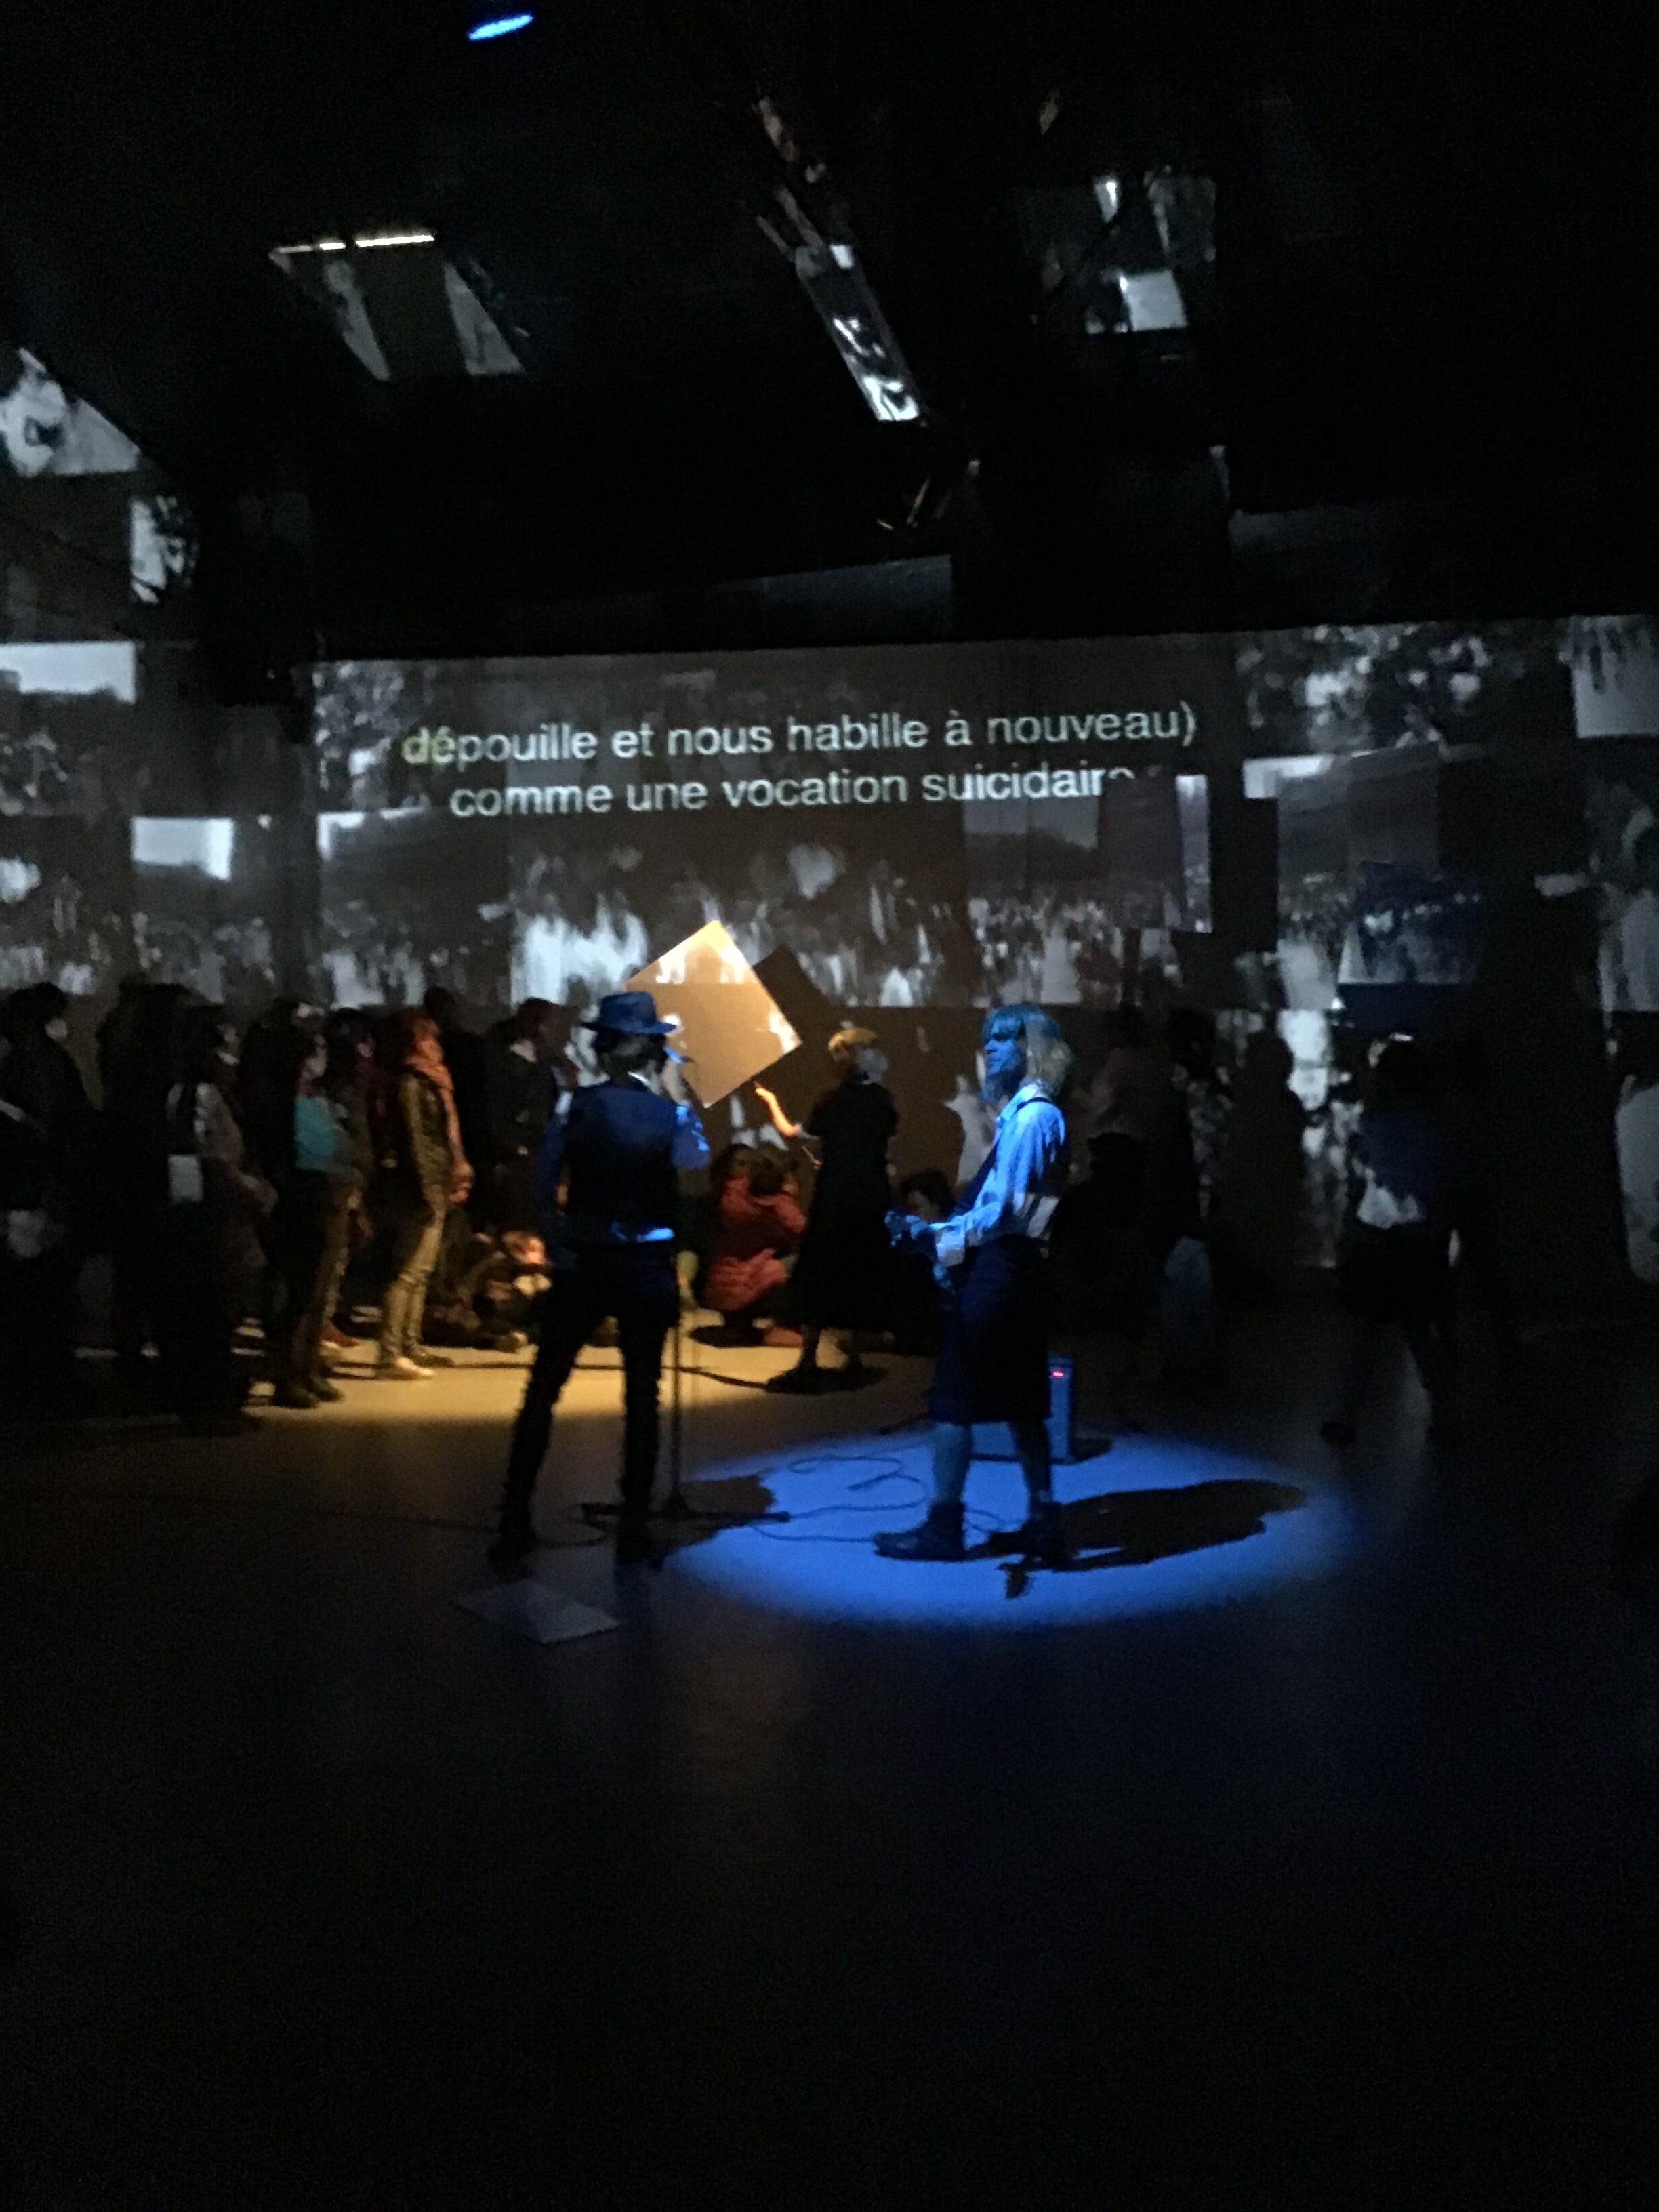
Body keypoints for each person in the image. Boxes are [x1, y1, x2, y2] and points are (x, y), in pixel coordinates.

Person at [491, 991, 708, 1570]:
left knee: (544, 1389)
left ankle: (513, 1522)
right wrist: (678, 1097)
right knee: (642, 1397)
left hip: (584, 1259)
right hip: (645, 1265)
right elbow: (694, 1166)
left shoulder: (575, 1105)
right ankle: (634, 1530)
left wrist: (559, 1242)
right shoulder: (667, 1114)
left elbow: (543, 1188)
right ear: (648, 1051)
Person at [875, 1006, 1073, 1566]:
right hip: (1016, 1270)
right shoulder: (1031, 1116)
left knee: (953, 1401)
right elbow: (1017, 1214)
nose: (990, 1050)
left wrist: (937, 1236)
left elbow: (1006, 1215)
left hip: (1004, 1273)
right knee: (1022, 1401)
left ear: (1030, 1048)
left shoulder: (1031, 1120)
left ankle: (944, 1529)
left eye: (1002, 1039)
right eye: (988, 1039)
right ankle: (1043, 1520)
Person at [1321, 1038, 1458, 1447]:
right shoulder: (1432, 1123)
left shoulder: (1377, 1120)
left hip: (1380, 1235)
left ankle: (1347, 1417)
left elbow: (1375, 1171)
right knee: (1416, 1332)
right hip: (1416, 1237)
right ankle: (1444, 1415)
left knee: (1366, 1334)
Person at [155, 1006, 275, 1433]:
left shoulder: (189, 1093)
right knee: (212, 1312)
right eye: (227, 1045)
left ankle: (212, 1399)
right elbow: (211, 1160)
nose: (233, 1055)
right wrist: (254, 1190)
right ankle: (210, 1404)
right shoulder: (199, 1095)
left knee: (213, 1312)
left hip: (208, 1214)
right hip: (211, 1218)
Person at [756, 1027, 897, 1391]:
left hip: (835, 1198)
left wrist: (771, 1101)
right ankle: (853, 1358)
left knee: (819, 1272)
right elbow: (873, 1145)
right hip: (870, 1196)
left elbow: (793, 1133)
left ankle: (808, 1359)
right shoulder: (882, 1101)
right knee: (860, 1270)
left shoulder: (831, 1102)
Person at [270, 1021, 371, 1407]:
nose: (321, 1059)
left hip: (332, 1199)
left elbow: (345, 1149)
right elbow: (323, 1150)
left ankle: (308, 1367)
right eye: (315, 1051)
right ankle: (290, 1374)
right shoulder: (289, 1101)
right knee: (302, 1294)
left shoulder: (317, 1098)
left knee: (321, 1293)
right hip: (310, 1201)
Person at [377, 1010, 472, 1378]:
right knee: (408, 1269)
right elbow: (417, 1140)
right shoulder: (412, 1083)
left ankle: (410, 1344)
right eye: (429, 1038)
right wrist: (429, 1187)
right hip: (420, 1186)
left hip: (435, 1182)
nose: (436, 1045)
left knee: (422, 1269)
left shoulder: (433, 1081)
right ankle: (390, 1353)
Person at [703, 1146, 807, 1342]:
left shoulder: (730, 1194)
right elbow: (804, 1232)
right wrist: (789, 1197)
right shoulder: (777, 1203)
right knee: (808, 1259)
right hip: (747, 1283)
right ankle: (783, 1325)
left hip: (721, 1287)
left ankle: (740, 1326)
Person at [486, 997, 560, 1229]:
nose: (545, 1028)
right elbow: (502, 1102)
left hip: (535, 1143)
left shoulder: (544, 1054)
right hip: (515, 1147)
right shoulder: (504, 1053)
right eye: (541, 1020)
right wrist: (515, 1144)